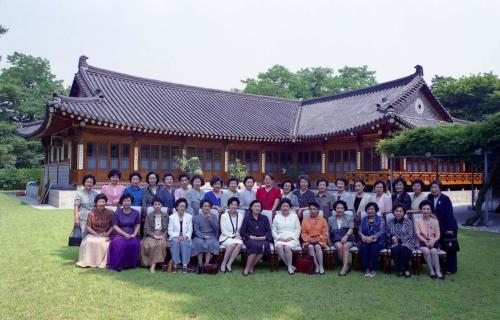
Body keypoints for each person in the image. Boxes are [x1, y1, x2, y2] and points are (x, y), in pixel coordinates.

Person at [428, 180, 458, 274]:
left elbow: (449, 214)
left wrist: (450, 229)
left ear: (440, 188)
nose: (433, 189)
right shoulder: (429, 197)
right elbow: (427, 209)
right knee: (439, 246)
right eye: (432, 188)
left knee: (449, 247)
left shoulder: (445, 199)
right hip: (436, 227)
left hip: (448, 226)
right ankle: (441, 267)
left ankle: (451, 268)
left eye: (435, 187)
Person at [76, 194, 113, 268]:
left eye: (103, 202)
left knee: (102, 243)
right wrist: (96, 234)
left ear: (106, 203)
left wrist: (107, 233)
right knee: (87, 241)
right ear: (96, 203)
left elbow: (113, 226)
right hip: (93, 234)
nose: (101, 203)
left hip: (105, 234)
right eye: (100, 202)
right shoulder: (91, 213)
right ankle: (88, 262)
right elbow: (88, 227)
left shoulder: (110, 212)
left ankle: (100, 262)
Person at [107, 194, 141, 271]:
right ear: (121, 202)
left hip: (131, 233)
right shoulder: (117, 212)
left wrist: (134, 233)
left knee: (134, 243)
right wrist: (125, 234)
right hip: (119, 233)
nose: (126, 202)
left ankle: (130, 265)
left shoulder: (135, 212)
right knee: (120, 244)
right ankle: (117, 265)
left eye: (128, 201)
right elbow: (115, 226)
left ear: (131, 202)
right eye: (124, 201)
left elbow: (137, 224)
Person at [240, 200, 272, 276]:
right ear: (251, 208)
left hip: (262, 238)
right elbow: (242, 231)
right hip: (251, 239)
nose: (257, 208)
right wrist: (250, 236)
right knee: (255, 246)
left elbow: (269, 231)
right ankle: (247, 268)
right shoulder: (247, 218)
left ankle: (251, 266)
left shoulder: (265, 218)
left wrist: (264, 237)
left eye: (259, 206)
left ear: (261, 208)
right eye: (255, 206)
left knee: (263, 247)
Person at [272, 198, 301, 274]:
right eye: (283, 206)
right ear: (280, 207)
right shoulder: (277, 216)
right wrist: (279, 238)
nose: (284, 208)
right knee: (279, 246)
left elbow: (298, 229)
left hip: (291, 237)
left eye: (286, 206)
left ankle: (289, 267)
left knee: (287, 247)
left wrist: (291, 237)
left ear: (290, 207)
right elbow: (273, 229)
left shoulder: (294, 216)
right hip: (280, 237)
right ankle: (289, 265)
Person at [416, 200, 444, 279]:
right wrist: (425, 241)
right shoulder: (418, 221)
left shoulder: (435, 221)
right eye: (424, 209)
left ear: (431, 210)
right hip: (422, 241)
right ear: (421, 210)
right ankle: (431, 270)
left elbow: (438, 234)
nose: (425, 211)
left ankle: (438, 272)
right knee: (426, 250)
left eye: (428, 209)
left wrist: (433, 241)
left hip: (433, 241)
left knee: (433, 251)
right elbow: (418, 234)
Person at [140, 197, 169, 273]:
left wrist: (163, 236)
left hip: (162, 234)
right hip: (151, 235)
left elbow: (167, 229)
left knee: (161, 243)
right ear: (152, 206)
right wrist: (154, 236)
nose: (157, 206)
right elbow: (146, 229)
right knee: (151, 244)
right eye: (155, 204)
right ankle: (152, 264)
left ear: (161, 205)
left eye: (159, 204)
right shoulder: (149, 216)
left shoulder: (166, 216)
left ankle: (153, 266)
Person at [191, 199, 219, 274]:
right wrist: (203, 236)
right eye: (204, 206)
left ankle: (206, 264)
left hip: (211, 235)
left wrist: (211, 220)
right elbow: (196, 230)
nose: (206, 208)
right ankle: (200, 264)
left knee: (210, 243)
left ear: (210, 207)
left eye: (208, 206)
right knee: (198, 243)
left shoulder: (213, 216)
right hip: (199, 235)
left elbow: (216, 228)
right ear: (201, 207)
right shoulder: (196, 217)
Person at [358, 202, 386, 277]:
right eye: (368, 209)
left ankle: (373, 268)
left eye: (372, 209)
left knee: (374, 247)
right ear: (366, 210)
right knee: (364, 247)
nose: (370, 210)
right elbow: (359, 230)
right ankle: (367, 268)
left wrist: (373, 237)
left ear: (376, 210)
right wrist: (363, 236)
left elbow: (382, 231)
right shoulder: (364, 219)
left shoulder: (380, 219)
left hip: (378, 241)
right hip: (365, 240)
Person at [328, 200, 354, 276]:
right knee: (339, 246)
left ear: (344, 209)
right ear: (335, 209)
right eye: (338, 208)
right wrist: (328, 240)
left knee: (345, 246)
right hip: (336, 238)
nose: (340, 210)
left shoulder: (349, 217)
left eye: (342, 208)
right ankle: (347, 266)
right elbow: (328, 230)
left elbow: (351, 228)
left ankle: (344, 268)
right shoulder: (331, 219)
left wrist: (346, 236)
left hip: (348, 237)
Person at [387, 204, 414, 277]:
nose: (398, 213)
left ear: (404, 213)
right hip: (393, 243)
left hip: (407, 242)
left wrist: (399, 240)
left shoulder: (409, 221)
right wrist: (391, 237)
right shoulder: (390, 221)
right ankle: (402, 269)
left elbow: (410, 234)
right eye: (396, 211)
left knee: (402, 248)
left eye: (401, 211)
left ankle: (404, 269)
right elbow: (387, 233)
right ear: (393, 212)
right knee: (396, 249)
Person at [301, 202, 328, 275]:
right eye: (310, 209)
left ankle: (321, 266)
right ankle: (316, 266)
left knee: (317, 246)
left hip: (320, 240)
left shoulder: (322, 220)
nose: (312, 211)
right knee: (310, 246)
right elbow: (303, 233)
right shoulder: (305, 220)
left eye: (314, 209)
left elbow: (325, 233)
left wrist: (317, 239)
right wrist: (310, 239)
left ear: (318, 210)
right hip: (308, 240)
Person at [219, 197, 244, 273]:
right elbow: (223, 230)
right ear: (228, 206)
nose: (234, 206)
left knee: (239, 244)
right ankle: (223, 264)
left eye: (235, 205)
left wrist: (239, 236)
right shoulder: (224, 216)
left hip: (238, 237)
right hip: (226, 237)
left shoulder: (241, 216)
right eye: (232, 204)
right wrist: (233, 236)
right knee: (233, 244)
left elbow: (242, 229)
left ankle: (229, 264)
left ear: (238, 206)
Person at [168, 198, 193, 273]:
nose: (182, 208)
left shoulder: (189, 217)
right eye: (180, 206)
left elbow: (190, 229)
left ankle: (185, 265)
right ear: (176, 207)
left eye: (184, 206)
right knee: (175, 242)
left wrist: (186, 236)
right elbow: (170, 230)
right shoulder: (172, 217)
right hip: (175, 236)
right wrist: (177, 236)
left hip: (185, 236)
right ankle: (175, 264)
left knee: (184, 242)